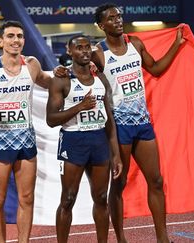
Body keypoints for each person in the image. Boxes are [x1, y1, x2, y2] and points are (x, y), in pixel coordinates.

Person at [91, 3, 184, 243]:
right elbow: (83, 79)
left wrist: (176, 45)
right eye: (111, 18)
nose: (118, 20)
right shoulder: (98, 54)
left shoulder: (136, 44)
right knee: (119, 183)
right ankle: (121, 238)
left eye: (119, 16)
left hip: (142, 122)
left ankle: (163, 238)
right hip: (118, 125)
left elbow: (155, 69)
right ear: (102, 26)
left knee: (156, 180)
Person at [0, 20, 51, 243]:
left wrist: (72, 72)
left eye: (20, 36)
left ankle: (23, 241)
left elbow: (50, 81)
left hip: (26, 142)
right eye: (11, 36)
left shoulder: (32, 64)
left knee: (26, 197)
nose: (16, 40)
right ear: (1, 41)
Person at [46, 35, 122, 243]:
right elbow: (51, 119)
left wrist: (115, 154)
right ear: (70, 52)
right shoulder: (61, 79)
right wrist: (80, 106)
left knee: (101, 198)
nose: (85, 51)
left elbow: (109, 120)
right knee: (68, 199)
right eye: (79, 48)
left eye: (87, 47)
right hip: (74, 140)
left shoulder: (101, 79)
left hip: (99, 141)